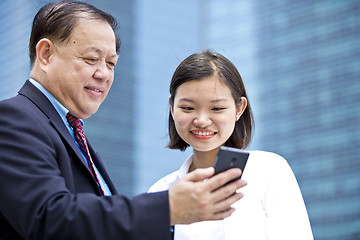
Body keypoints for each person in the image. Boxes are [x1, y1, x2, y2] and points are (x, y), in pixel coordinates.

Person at [0, 2, 247, 240]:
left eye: (111, 63)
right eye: (90, 59)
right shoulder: (12, 119)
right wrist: (169, 207)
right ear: (46, 54)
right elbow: (50, 217)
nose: (104, 74)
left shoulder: (73, 133)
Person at [149, 50, 314, 239]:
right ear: (172, 107)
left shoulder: (269, 170)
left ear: (239, 109)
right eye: (188, 108)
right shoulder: (161, 192)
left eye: (217, 108)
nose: (201, 120)